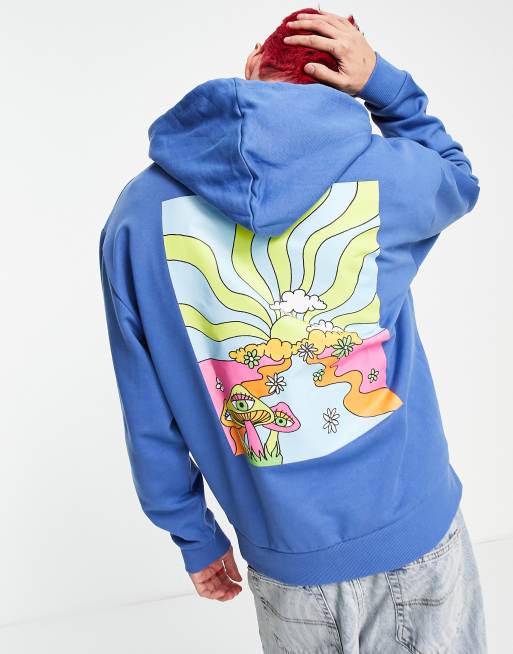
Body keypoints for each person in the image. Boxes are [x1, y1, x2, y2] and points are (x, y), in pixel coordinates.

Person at [99, 7, 486, 653]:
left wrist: (194, 535)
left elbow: (147, 404)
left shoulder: (138, 217)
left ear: (253, 62)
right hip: (416, 529)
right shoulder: (386, 173)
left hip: (286, 560)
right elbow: (458, 177)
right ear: (345, 83)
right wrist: (386, 85)